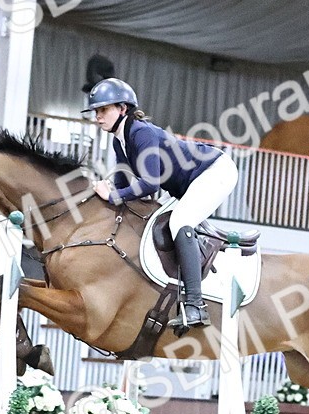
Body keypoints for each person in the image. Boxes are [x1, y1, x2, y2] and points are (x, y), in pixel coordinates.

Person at [83, 78, 238, 333]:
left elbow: (149, 184)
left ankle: (195, 305)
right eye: (96, 111)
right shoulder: (119, 140)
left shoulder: (140, 132)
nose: (98, 117)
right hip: (189, 183)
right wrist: (106, 197)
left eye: (103, 110)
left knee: (180, 222)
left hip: (215, 171)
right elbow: (122, 182)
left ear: (122, 108)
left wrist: (112, 196)